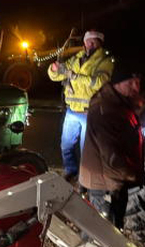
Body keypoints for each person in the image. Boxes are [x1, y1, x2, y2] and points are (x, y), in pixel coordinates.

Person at [78, 66, 143, 247]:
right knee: (107, 228)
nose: (136, 87)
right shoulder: (106, 109)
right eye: (131, 82)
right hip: (106, 181)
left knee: (94, 223)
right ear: (117, 83)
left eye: (138, 82)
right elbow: (111, 156)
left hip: (104, 178)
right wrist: (128, 177)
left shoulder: (116, 103)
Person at [48, 30, 115, 182]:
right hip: (72, 111)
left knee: (88, 150)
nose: (90, 43)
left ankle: (86, 177)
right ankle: (71, 171)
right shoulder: (76, 59)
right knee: (66, 145)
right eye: (87, 40)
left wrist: (75, 76)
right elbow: (57, 75)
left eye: (94, 41)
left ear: (100, 43)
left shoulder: (106, 60)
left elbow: (99, 82)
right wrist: (53, 69)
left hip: (90, 113)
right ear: (84, 42)